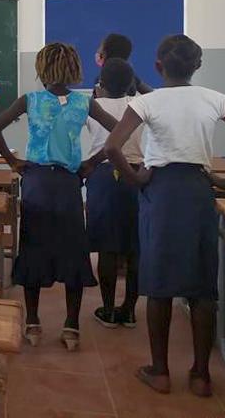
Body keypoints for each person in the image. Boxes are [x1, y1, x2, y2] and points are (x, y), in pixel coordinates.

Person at [106, 34, 225, 397]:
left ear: (157, 66)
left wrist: (136, 178)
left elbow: (112, 146)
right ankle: (200, 375)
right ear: (198, 66)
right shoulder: (215, 99)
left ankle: (160, 371)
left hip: (161, 192)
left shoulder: (147, 101)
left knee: (159, 284)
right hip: (198, 190)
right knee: (202, 287)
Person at [0, 43, 117, 352]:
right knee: (74, 250)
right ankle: (71, 327)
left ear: (41, 69)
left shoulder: (30, 100)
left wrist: (13, 163)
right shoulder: (83, 103)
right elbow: (120, 132)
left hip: (36, 182)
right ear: (74, 70)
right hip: (69, 183)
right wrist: (93, 162)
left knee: (34, 248)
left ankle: (33, 322)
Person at [80, 57, 144, 329]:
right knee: (135, 249)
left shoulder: (94, 105)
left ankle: (107, 309)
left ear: (100, 83)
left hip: (103, 175)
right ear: (131, 82)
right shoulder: (142, 104)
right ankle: (129, 310)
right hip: (138, 173)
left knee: (107, 248)